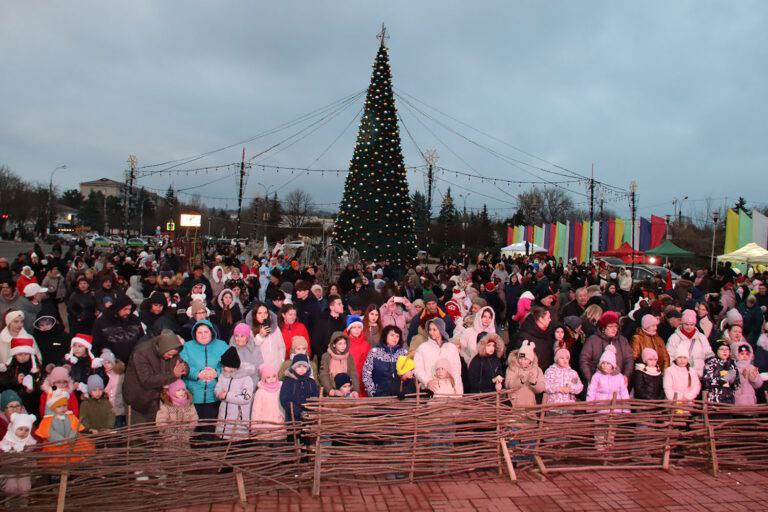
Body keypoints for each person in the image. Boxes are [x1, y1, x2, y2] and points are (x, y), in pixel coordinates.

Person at [123, 329, 187, 425]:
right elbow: (146, 380)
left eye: (173, 355)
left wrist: (184, 369)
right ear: (163, 349)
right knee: (140, 432)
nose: (171, 357)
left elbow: (182, 364)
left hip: (157, 400)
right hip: (138, 400)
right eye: (169, 355)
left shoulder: (171, 349)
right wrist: (173, 375)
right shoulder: (141, 352)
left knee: (157, 430)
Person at [180, 319, 229, 425]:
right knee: (194, 428)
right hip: (193, 395)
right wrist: (197, 373)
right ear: (195, 334)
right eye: (200, 332)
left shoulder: (222, 346)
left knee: (211, 428)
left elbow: (230, 366)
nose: (203, 335)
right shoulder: (188, 347)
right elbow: (182, 366)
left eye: (206, 332)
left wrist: (216, 373)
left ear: (211, 332)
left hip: (215, 396)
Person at [580, 311, 634, 384]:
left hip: (617, 382)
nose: (614, 329)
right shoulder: (593, 340)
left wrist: (626, 375)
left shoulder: (622, 340)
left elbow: (629, 359)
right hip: (597, 383)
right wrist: (590, 378)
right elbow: (584, 360)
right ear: (603, 327)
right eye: (611, 326)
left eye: (616, 326)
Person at [413, 318, 463, 395]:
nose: (431, 332)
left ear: (441, 330)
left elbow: (456, 371)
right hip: (430, 391)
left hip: (450, 390)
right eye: (430, 329)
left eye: (434, 329)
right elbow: (417, 369)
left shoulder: (451, 347)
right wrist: (427, 381)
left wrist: (458, 391)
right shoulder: (422, 348)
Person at [215, 346, 255, 440]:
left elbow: (246, 397)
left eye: (225, 366)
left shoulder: (246, 378)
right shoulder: (223, 376)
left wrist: (227, 395)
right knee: (223, 442)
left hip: (238, 419)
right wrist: (218, 393)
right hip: (223, 417)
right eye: (222, 366)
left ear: (233, 366)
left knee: (236, 443)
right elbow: (218, 388)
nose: (223, 368)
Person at [92, 294, 145, 364]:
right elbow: (96, 343)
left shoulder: (134, 319)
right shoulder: (102, 321)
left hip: (134, 361)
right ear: (118, 308)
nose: (128, 312)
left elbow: (142, 339)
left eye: (130, 309)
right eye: (125, 309)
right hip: (112, 363)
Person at [362, 325, 409, 397]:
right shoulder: (375, 352)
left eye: (397, 336)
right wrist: (372, 392)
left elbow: (409, 375)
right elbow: (366, 374)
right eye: (392, 335)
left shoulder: (404, 353)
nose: (395, 338)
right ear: (385, 336)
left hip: (399, 396)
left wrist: (404, 390)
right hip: (379, 395)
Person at [666, 309, 714, 379]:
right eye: (686, 324)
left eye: (692, 325)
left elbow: (709, 354)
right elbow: (670, 356)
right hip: (681, 377)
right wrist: (676, 372)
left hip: (700, 376)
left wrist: (709, 370)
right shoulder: (674, 338)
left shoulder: (701, 337)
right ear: (682, 323)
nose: (689, 327)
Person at [0, 412, 36, 496]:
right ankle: (11, 499)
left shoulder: (29, 440)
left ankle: (23, 498)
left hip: (24, 468)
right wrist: (7, 449)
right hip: (10, 468)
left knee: (24, 484)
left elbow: (32, 450)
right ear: (14, 428)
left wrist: (26, 448)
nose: (23, 432)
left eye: (27, 430)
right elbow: (2, 448)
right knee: (10, 484)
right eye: (20, 429)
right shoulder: (8, 438)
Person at [156, 379, 198, 448]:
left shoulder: (189, 405)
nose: (181, 392)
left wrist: (187, 432)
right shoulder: (166, 407)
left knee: (184, 453)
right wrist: (172, 434)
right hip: (169, 441)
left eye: (183, 390)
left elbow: (194, 419)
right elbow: (160, 422)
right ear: (171, 391)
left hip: (184, 440)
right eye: (178, 390)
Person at [511, 306, 554, 372]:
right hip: (532, 374)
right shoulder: (524, 337)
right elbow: (520, 359)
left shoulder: (548, 332)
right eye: (548, 318)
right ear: (540, 319)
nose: (550, 320)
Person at [279, 354, 319, 423]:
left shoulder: (311, 382)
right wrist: (298, 412)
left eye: (304, 366)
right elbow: (284, 400)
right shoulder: (288, 381)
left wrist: (312, 410)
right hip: (293, 419)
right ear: (294, 368)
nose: (302, 369)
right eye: (299, 366)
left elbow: (316, 397)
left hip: (310, 418)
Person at [250, 363, 285, 440]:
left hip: (278, 424)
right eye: (268, 377)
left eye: (274, 376)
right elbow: (256, 410)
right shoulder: (260, 392)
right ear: (263, 378)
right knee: (265, 444)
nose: (272, 379)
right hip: (264, 425)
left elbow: (283, 406)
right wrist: (255, 426)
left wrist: (283, 417)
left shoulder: (280, 389)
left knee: (279, 444)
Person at [505, 340, 545, 407]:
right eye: (520, 358)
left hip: (530, 404)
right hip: (514, 404)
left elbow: (541, 388)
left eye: (525, 359)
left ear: (530, 360)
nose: (522, 361)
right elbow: (508, 385)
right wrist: (520, 381)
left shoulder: (536, 370)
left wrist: (534, 383)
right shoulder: (512, 368)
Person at [318, 332, 360, 397]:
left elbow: (353, 374)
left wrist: (355, 390)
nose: (343, 346)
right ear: (334, 345)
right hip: (332, 392)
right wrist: (330, 390)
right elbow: (324, 374)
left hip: (347, 392)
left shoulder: (349, 356)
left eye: (344, 343)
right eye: (340, 343)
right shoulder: (326, 357)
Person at [309, 295, 346, 363]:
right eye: (339, 304)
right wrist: (325, 356)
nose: (342, 305)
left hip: (341, 357)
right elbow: (315, 342)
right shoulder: (322, 321)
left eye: (342, 303)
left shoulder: (343, 319)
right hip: (326, 359)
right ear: (331, 307)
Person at [251, 304, 286, 370]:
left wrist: (281, 361)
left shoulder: (275, 328)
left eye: (265, 313)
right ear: (255, 316)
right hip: (261, 369)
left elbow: (281, 347)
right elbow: (252, 350)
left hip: (276, 368)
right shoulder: (251, 330)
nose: (263, 316)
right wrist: (260, 336)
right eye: (260, 313)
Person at [229, 322, 263, 389]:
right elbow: (229, 371)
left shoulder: (255, 349)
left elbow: (260, 368)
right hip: (235, 388)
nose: (239, 339)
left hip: (253, 386)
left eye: (242, 336)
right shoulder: (230, 350)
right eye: (236, 336)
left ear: (247, 337)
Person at [731, 341, 763, 406]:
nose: (745, 356)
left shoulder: (752, 367)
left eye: (747, 354)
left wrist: (754, 378)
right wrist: (741, 377)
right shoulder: (733, 367)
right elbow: (731, 383)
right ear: (736, 354)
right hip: (737, 399)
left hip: (750, 399)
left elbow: (758, 385)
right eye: (742, 354)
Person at [344, 315, 370, 397]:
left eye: (359, 327)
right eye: (354, 327)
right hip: (348, 378)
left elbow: (369, 363)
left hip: (362, 379)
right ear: (349, 329)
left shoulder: (366, 344)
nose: (357, 330)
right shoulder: (344, 344)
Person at [100, 349, 125, 428]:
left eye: (108, 362)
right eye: (104, 363)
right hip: (107, 409)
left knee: (117, 429)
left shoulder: (120, 375)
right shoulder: (102, 375)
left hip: (118, 408)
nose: (106, 365)